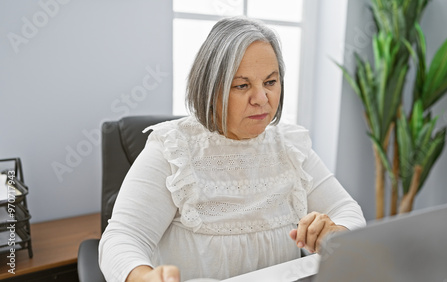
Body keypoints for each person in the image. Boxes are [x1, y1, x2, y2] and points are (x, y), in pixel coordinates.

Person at [99, 16, 366, 282]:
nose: (262, 99)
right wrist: (142, 277)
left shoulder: (290, 146)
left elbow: (348, 211)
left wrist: (335, 231)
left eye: (270, 82)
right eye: (242, 85)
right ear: (209, 89)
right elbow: (122, 239)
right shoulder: (173, 149)